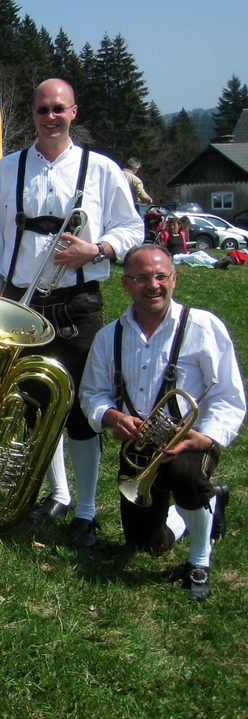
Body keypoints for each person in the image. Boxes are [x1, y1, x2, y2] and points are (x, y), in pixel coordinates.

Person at [0, 78, 144, 546]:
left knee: (83, 409)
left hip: (78, 304)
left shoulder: (102, 169)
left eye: (58, 109)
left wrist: (97, 249)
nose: (50, 117)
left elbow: (132, 227)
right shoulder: (6, 170)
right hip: (22, 304)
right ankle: (58, 494)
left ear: (74, 112)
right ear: (32, 113)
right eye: (42, 109)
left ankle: (87, 511)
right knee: (34, 405)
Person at [80, 245, 244, 599]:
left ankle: (199, 559)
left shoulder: (204, 326)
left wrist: (205, 438)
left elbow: (229, 397)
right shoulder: (109, 336)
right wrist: (110, 415)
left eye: (160, 276)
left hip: (190, 440)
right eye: (142, 278)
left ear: (174, 278)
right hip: (140, 447)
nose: (153, 285)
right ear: (125, 283)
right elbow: (92, 393)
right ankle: (207, 504)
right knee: (146, 544)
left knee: (184, 476)